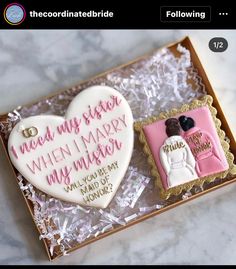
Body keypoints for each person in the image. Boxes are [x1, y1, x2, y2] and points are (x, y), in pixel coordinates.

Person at [160, 118, 198, 188]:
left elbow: (165, 166)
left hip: (174, 175)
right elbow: (191, 160)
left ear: (167, 132)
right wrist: (191, 167)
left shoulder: (163, 148)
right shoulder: (183, 143)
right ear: (179, 131)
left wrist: (170, 173)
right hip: (186, 172)